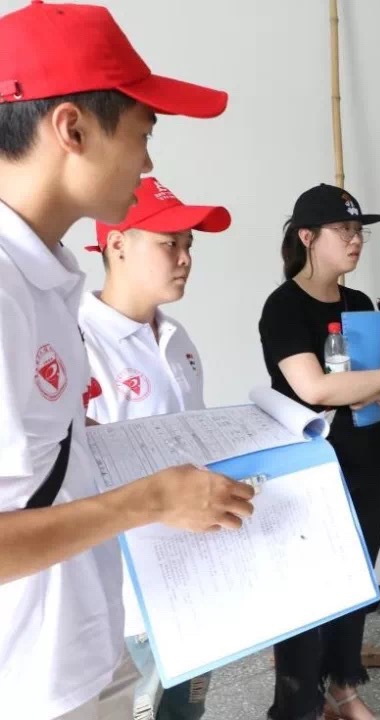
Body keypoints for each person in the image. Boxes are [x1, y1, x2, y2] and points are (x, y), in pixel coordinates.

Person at [0, 3, 254, 719]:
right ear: (72, 129)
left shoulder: (44, 278)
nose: (146, 163)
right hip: (24, 685)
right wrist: (152, 500)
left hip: (80, 650)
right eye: (143, 134)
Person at [79, 176, 232, 720]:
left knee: (188, 710)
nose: (185, 257)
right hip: (126, 603)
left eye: (189, 244)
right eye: (170, 243)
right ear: (118, 244)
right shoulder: (80, 343)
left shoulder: (176, 338)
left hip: (192, 579)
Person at [258, 183, 380, 720]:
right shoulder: (284, 307)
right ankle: (298, 703)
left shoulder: (360, 303)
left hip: (369, 456)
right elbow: (315, 388)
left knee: (357, 579)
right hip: (310, 466)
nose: (355, 240)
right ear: (307, 237)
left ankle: (343, 685)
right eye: (344, 230)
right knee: (307, 590)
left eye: (359, 231)